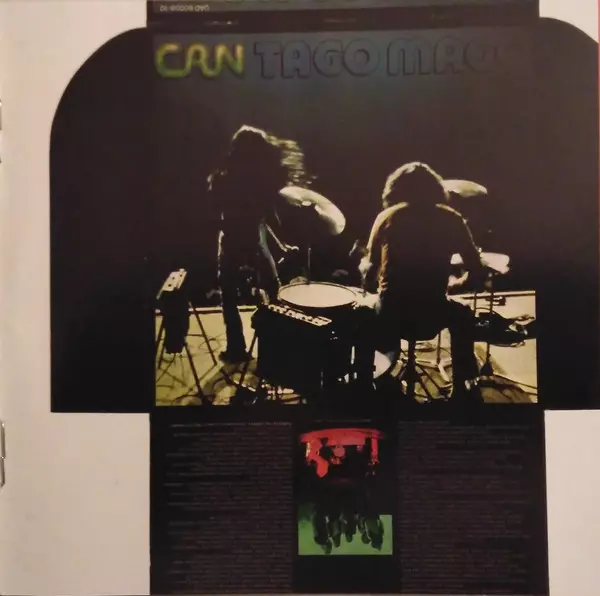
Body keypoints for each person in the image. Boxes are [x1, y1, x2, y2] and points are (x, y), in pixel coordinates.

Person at [356, 161, 487, 400]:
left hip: (391, 315)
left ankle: (364, 384)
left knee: (360, 310)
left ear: (395, 190)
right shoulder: (453, 219)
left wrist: (373, 283)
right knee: (464, 312)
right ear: (435, 189)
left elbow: (370, 269)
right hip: (432, 315)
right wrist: (452, 286)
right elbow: (477, 272)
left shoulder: (387, 217)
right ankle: (463, 387)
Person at [208, 125, 310, 363]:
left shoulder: (222, 178)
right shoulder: (261, 181)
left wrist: (228, 223)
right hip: (255, 241)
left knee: (229, 296)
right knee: (274, 290)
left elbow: (214, 215)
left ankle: (236, 348)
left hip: (231, 240)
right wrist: (282, 244)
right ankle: (282, 344)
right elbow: (266, 218)